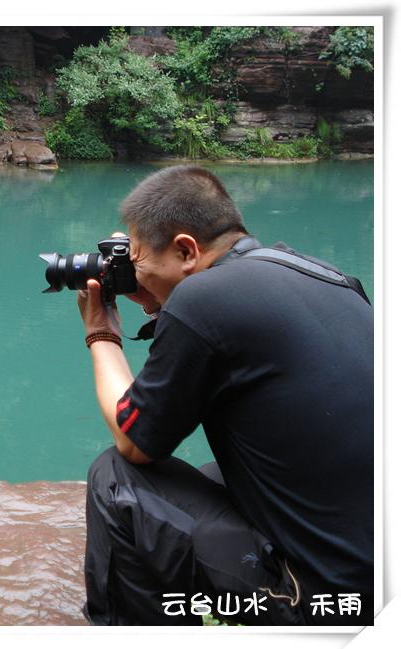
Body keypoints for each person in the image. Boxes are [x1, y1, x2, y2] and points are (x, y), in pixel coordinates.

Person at [76, 165, 373, 626]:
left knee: (116, 480)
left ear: (186, 250)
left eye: (135, 262)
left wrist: (102, 335)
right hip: (379, 573)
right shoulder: (323, 274)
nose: (133, 275)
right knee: (211, 474)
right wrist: (155, 293)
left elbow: (134, 442)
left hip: (323, 597)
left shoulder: (203, 300)